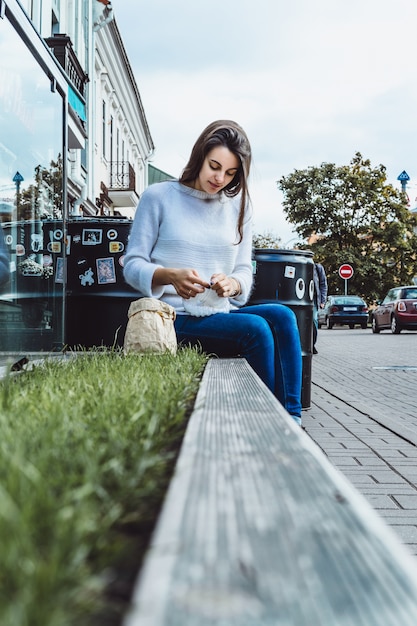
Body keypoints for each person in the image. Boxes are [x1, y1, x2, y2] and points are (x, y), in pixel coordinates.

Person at [123, 120, 303, 424]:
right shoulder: (159, 197)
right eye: (214, 166)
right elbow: (132, 264)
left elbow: (244, 270)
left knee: (284, 316)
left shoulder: (239, 207)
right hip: (172, 318)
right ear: (199, 157)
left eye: (231, 173)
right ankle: (265, 421)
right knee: (256, 329)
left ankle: (290, 419)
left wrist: (232, 284)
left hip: (220, 312)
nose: (220, 178)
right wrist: (169, 276)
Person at [313, 262, 327, 354]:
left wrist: (322, 300)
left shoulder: (317, 268)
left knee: (314, 321)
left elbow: (323, 284)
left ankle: (312, 344)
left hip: (313, 300)